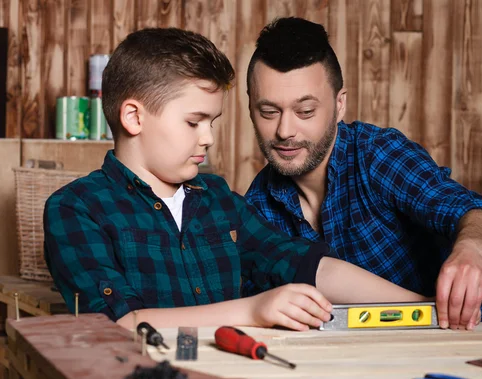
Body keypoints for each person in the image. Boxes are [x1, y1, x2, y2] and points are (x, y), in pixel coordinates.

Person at [43, 27, 430, 332]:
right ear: (134, 117)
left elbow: (307, 266)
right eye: (194, 122)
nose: (208, 137)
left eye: (212, 122)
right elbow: (121, 323)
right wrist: (254, 310)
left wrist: (422, 310)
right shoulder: (76, 208)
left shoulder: (219, 200)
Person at [244, 17, 482, 330]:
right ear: (250, 108)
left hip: (443, 346)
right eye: (269, 112)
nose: (285, 130)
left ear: (339, 105)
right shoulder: (256, 206)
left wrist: (473, 250)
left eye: (305, 111)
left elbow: (476, 213)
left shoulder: (378, 155)